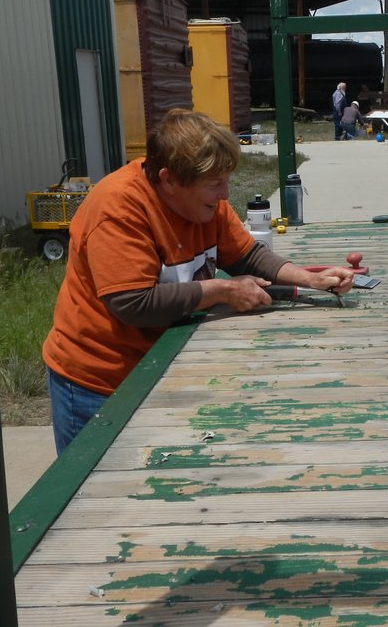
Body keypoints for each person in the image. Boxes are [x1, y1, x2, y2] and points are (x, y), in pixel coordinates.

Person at [42, 109, 355, 453]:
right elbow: (132, 304)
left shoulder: (203, 203)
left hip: (159, 368)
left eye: (226, 180)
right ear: (169, 179)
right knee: (93, 500)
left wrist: (313, 279)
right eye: (214, 184)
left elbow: (246, 256)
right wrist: (221, 290)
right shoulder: (117, 209)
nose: (224, 194)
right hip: (98, 382)